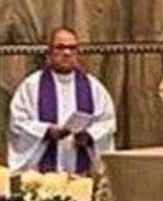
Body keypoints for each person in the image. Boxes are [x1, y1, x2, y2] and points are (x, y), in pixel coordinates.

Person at [7, 27, 116, 174]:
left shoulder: (93, 87)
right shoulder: (31, 86)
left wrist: (90, 135)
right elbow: (18, 123)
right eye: (60, 47)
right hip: (42, 176)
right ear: (49, 51)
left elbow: (108, 122)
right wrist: (46, 131)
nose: (67, 53)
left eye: (72, 48)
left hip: (81, 175)